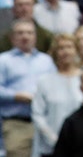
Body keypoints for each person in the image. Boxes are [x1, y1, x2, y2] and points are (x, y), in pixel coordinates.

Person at [0, 18, 57, 157]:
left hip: (46, 122)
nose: (25, 36)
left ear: (35, 37)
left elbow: (55, 85)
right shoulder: (3, 60)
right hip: (17, 123)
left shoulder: (46, 60)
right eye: (20, 33)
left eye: (29, 33)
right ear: (12, 38)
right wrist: (16, 96)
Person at [32, 33, 83, 157]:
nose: (66, 52)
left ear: (76, 50)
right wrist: (55, 139)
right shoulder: (44, 81)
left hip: (82, 145)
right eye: (61, 48)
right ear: (55, 52)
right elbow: (38, 115)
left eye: (69, 47)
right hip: (52, 147)